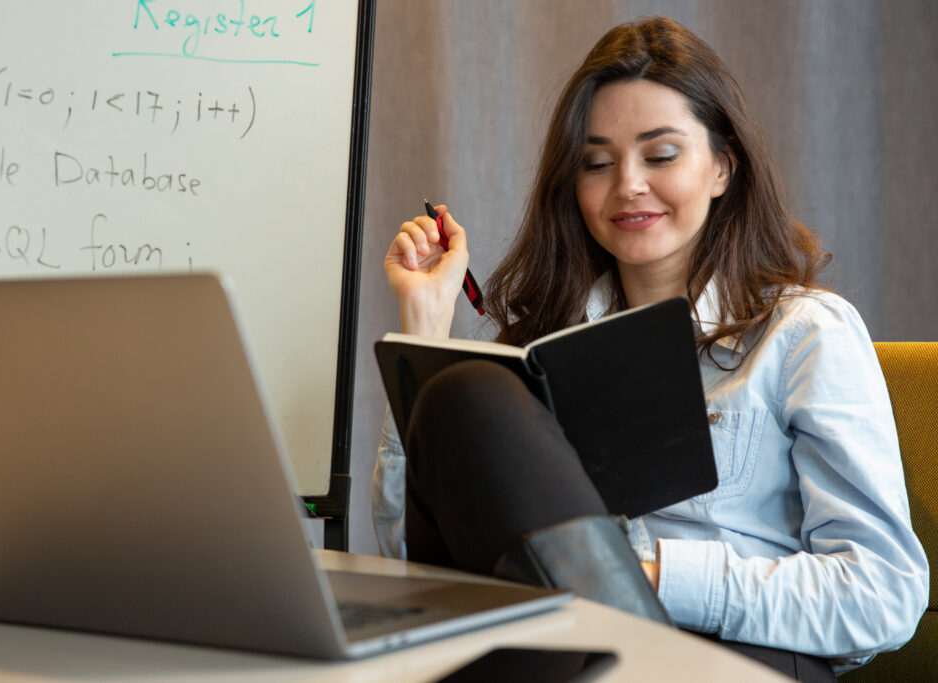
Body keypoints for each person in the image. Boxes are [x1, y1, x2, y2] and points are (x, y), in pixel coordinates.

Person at [372, 15, 928, 681]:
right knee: (464, 391)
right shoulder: (540, 354)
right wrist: (425, 325)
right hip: (568, 656)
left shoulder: (804, 334)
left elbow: (883, 593)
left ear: (723, 167)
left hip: (737, 657)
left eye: (660, 155)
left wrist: (651, 574)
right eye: (597, 163)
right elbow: (414, 555)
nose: (627, 184)